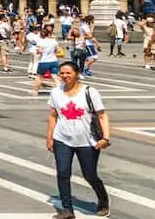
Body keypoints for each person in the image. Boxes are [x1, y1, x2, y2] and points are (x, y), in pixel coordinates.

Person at [46, 61, 110, 219]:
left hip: (87, 141)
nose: (65, 76)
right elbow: (53, 116)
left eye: (68, 73)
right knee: (62, 173)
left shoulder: (90, 92)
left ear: (77, 73)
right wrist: (50, 137)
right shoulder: (55, 92)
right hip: (62, 139)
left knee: (90, 175)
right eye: (62, 73)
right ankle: (67, 209)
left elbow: (102, 115)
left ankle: (103, 200)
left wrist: (106, 138)